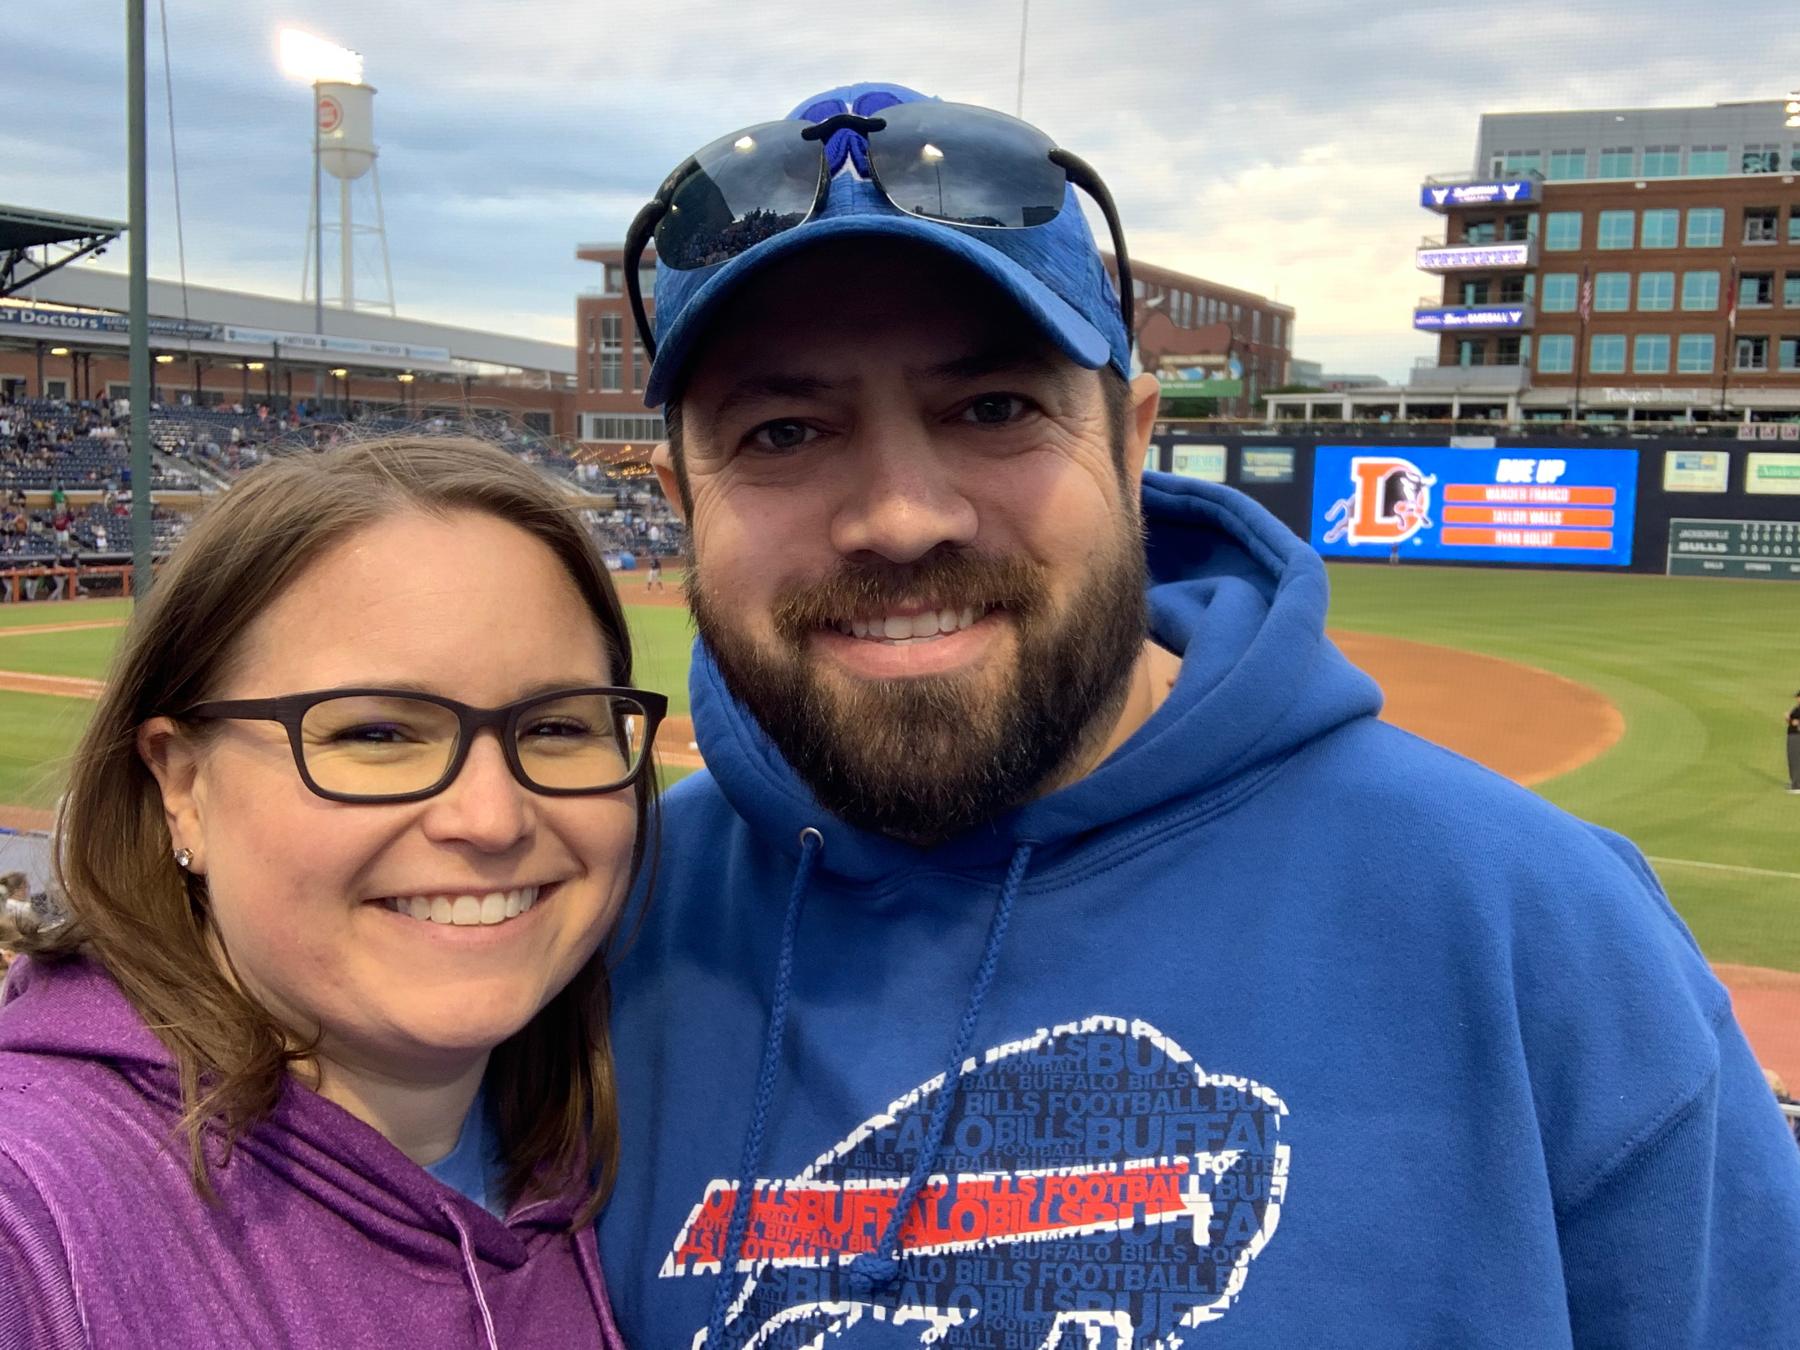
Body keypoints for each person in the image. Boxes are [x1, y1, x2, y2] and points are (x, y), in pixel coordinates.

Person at [595, 82, 1800, 1347]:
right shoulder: (597, 938)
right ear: (681, 499)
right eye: (783, 431)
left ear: (1129, 439)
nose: (902, 516)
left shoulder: (1537, 934)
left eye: (994, 409)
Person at [0, 436, 660, 1348]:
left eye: (554, 725)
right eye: (380, 734)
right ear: (181, 786)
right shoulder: (35, 1205)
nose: (493, 818)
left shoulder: (593, 1142)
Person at [1787, 689, 1799, 793]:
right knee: (1792, 759)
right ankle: (1794, 782)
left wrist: (1790, 720)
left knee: (1796, 760)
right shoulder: (1797, 708)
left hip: (1797, 736)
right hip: (1792, 735)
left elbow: (1796, 723)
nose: (1796, 698)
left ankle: (1797, 786)